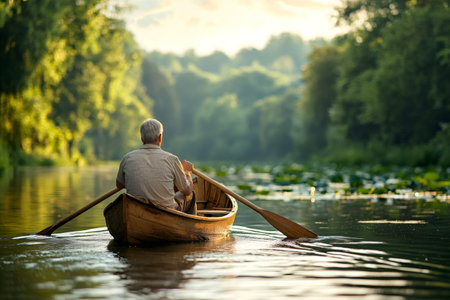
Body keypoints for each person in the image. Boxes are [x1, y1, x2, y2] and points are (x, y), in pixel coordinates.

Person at [116, 118, 195, 213]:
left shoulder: (127, 158)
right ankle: (190, 226)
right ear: (160, 137)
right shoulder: (172, 159)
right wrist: (186, 173)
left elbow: (119, 185)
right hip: (167, 211)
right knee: (191, 195)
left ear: (142, 139)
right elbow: (187, 190)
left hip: (135, 211)